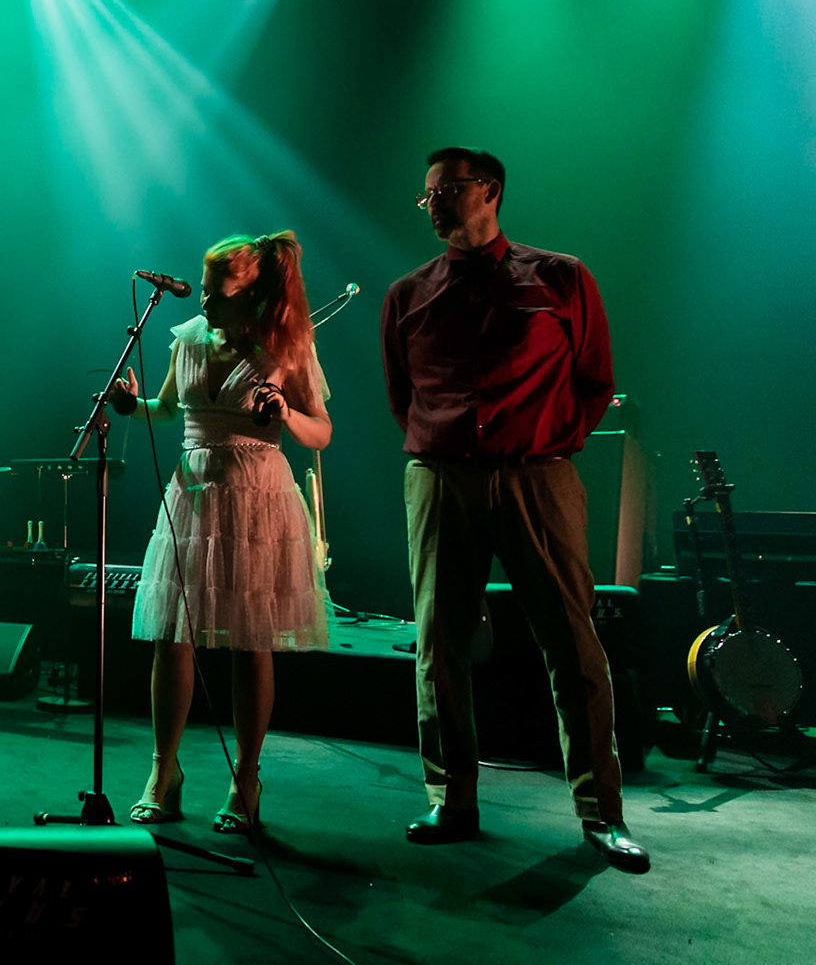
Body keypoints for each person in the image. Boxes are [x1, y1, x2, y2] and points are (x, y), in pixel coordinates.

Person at [382, 146, 648, 873]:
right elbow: (401, 394)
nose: (433, 203)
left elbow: (596, 380)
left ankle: (602, 813)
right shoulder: (408, 293)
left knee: (572, 642)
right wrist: (440, 452)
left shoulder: (560, 277)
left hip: (537, 476)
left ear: (490, 191)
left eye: (446, 190)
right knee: (439, 645)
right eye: (426, 194)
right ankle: (451, 799)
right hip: (440, 479)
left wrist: (548, 442)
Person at [115, 233, 331, 832]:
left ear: (253, 293)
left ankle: (247, 777)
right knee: (172, 634)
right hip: (190, 491)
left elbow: (322, 431)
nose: (204, 298)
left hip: (256, 497)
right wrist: (133, 407)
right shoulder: (187, 339)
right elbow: (167, 409)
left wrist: (285, 412)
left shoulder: (286, 348)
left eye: (217, 290)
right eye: (204, 287)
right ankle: (164, 771)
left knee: (248, 640)